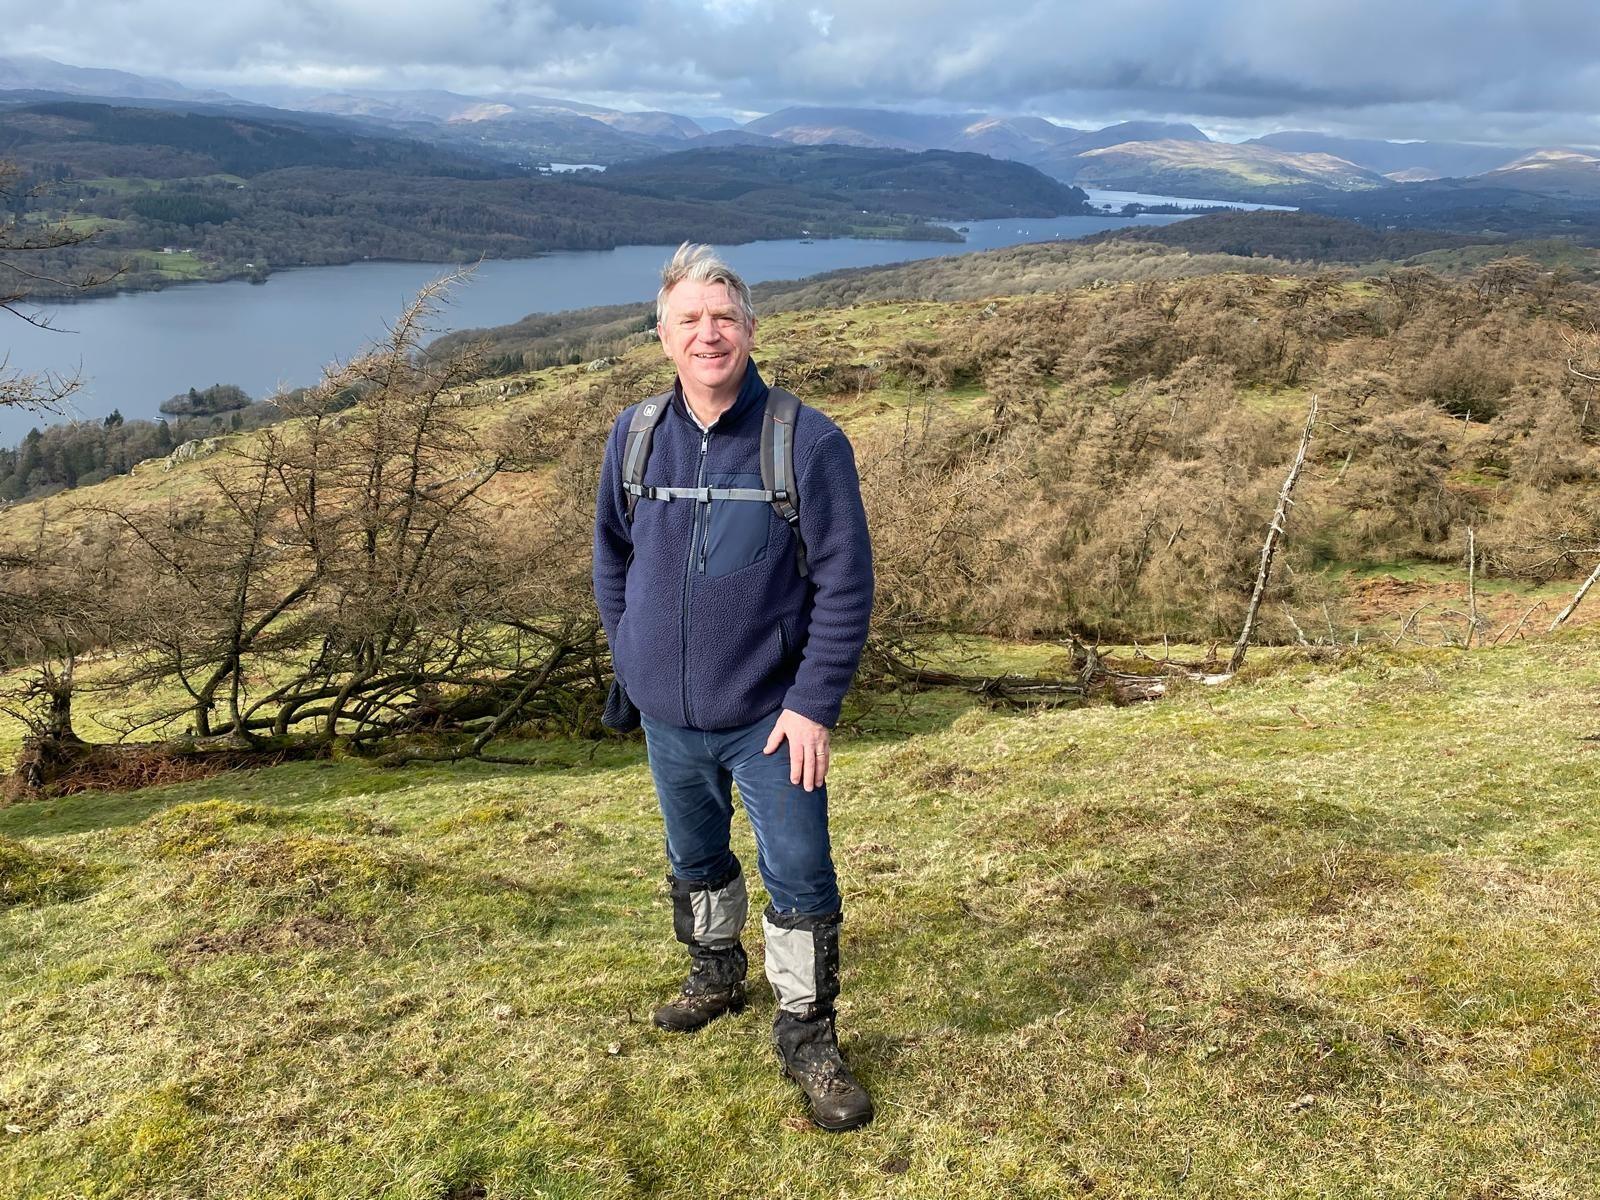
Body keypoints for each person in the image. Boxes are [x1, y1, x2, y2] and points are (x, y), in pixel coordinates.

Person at [592, 243, 876, 1132]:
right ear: (664, 336)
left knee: (799, 878)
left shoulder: (806, 441)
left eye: (723, 318)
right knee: (695, 857)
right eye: (689, 320)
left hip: (770, 720)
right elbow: (612, 560)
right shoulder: (636, 435)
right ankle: (716, 969)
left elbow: (845, 583)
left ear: (750, 330)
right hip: (667, 720)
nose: (708, 334)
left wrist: (812, 704)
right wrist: (633, 661)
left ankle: (807, 1033)